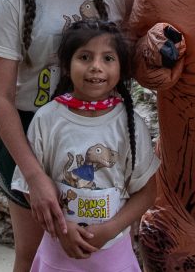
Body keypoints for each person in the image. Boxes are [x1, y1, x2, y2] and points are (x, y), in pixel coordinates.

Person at [0, 0, 137, 272]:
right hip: (33, 135)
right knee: (33, 256)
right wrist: (34, 177)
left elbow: (140, 58)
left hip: (107, 129)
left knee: (106, 255)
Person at [13, 19, 159, 271]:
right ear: (67, 67)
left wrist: (110, 229)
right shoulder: (48, 119)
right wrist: (62, 227)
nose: (96, 67)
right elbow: (30, 187)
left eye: (107, 59)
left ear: (121, 68)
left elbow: (146, 191)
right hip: (58, 254)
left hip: (114, 258)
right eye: (85, 57)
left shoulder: (131, 125)